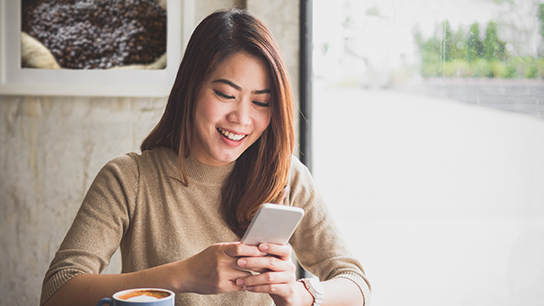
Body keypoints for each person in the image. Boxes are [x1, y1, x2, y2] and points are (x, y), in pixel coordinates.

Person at [40, 8, 371, 306]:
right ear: (191, 87)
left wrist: (300, 294)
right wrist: (182, 275)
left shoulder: (284, 175)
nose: (242, 118)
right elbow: (57, 291)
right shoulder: (130, 179)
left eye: (261, 102)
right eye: (226, 94)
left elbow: (356, 284)